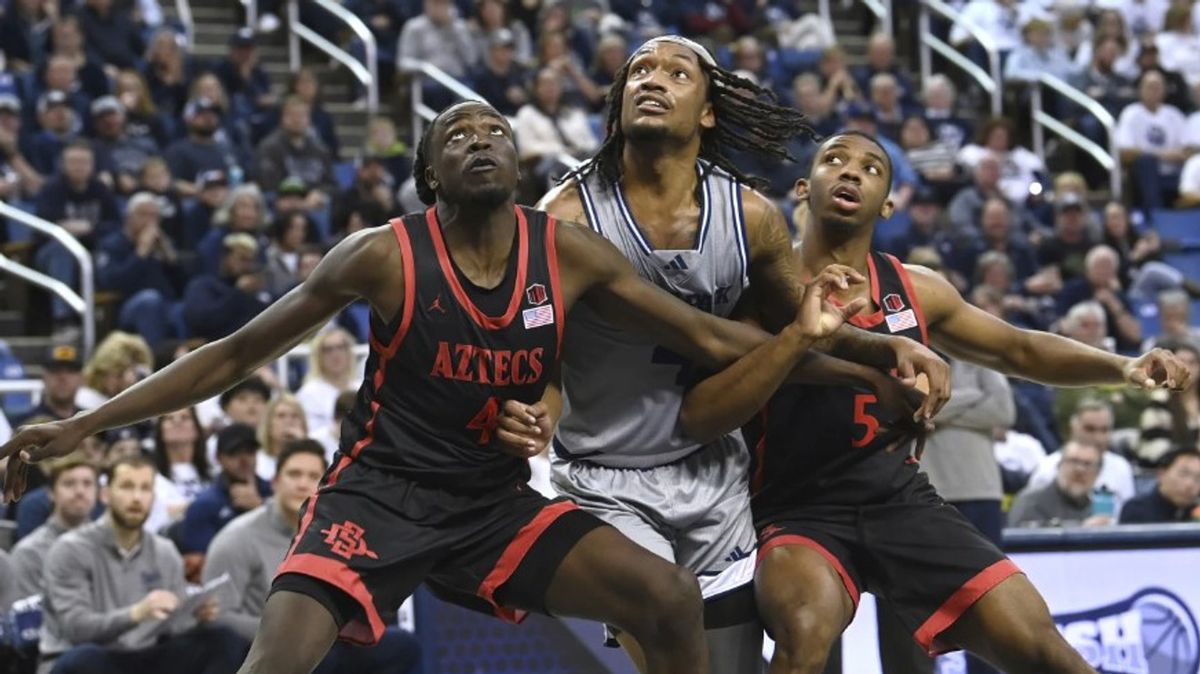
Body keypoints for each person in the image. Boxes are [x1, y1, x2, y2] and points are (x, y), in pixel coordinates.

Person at [0, 98, 874, 674]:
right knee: (273, 664)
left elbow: (711, 337)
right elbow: (230, 356)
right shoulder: (383, 255)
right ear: (429, 177)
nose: (480, 139)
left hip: (493, 502)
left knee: (668, 596)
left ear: (520, 163)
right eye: (455, 135)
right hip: (379, 496)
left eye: (494, 130)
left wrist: (858, 353)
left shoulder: (562, 250)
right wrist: (84, 424)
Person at [665, 131, 1187, 673]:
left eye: (870, 168)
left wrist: (1120, 366)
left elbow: (1019, 347)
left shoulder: (917, 288)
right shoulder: (760, 287)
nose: (850, 172)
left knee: (1043, 646)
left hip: (901, 500)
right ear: (803, 187)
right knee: (803, 634)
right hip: (795, 509)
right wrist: (864, 378)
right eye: (834, 161)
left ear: (888, 203)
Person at [535, 36, 948, 674]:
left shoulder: (750, 214)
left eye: (677, 72)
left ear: (706, 111)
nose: (654, 80)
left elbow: (802, 325)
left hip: (716, 476)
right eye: (640, 71)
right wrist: (533, 408)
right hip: (606, 473)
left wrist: (888, 345)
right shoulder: (566, 215)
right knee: (670, 647)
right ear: (616, 106)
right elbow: (537, 348)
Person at [203, 440, 421, 673]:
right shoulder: (237, 538)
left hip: (330, 638)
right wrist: (294, 633)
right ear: (275, 482)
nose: (302, 484)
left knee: (403, 646)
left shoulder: (337, 534)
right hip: (262, 646)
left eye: (312, 476)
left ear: (326, 485)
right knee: (308, 652)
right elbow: (217, 617)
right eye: (294, 475)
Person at [38, 454, 246, 673]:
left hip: (144, 657)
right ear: (106, 494)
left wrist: (195, 616)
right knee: (83, 660)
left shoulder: (164, 551)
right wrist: (136, 613)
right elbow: (77, 629)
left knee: (222, 639)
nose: (137, 498)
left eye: (145, 488)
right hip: (90, 657)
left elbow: (172, 627)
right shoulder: (70, 549)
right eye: (127, 487)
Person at [11, 455, 99, 598]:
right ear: (51, 493)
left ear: (98, 492)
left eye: (88, 484)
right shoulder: (29, 553)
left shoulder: (112, 546)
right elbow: (26, 618)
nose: (80, 491)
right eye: (69, 484)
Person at [181, 423, 272, 557]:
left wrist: (259, 507)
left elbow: (290, 539)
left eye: (249, 451)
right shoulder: (203, 506)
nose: (243, 459)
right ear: (218, 458)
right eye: (234, 453)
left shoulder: (274, 493)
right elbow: (208, 562)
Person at [1009, 440, 1112, 527]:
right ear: (1059, 465)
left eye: (1087, 464)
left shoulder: (1096, 508)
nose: (1080, 469)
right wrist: (1082, 528)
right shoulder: (1031, 501)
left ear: (1098, 473)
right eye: (1074, 461)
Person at [296, 328, 361, 433]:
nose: (335, 354)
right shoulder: (308, 393)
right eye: (328, 350)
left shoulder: (362, 388)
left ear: (349, 352)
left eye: (340, 347)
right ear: (318, 357)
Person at [1118, 448, 1200, 522]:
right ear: (1161, 474)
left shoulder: (1196, 513)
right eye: (1183, 474)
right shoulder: (1136, 509)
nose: (1190, 484)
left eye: (1198, 478)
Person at [17, 345, 84, 425]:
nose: (63, 377)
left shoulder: (91, 423)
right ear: (44, 377)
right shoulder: (26, 425)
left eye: (70, 371)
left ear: (81, 379)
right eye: (55, 370)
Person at [254, 395, 307, 480]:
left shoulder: (314, 460)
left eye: (295, 416)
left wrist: (304, 446)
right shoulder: (256, 461)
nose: (289, 421)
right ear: (269, 425)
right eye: (281, 416)